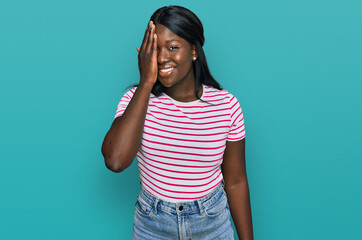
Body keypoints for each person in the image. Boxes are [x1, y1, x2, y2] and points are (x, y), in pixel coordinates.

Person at [102, 5, 253, 240]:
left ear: (193, 51)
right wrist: (145, 83)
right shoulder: (135, 101)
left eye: (173, 47)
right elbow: (116, 160)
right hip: (152, 226)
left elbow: (235, 181)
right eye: (155, 50)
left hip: (212, 225)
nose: (162, 58)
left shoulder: (226, 105)